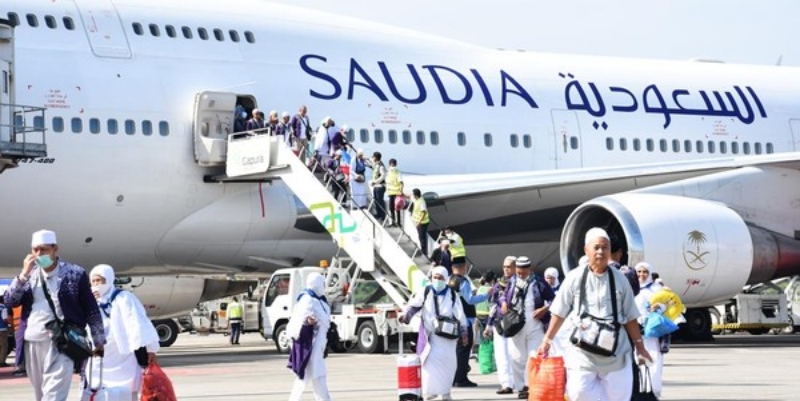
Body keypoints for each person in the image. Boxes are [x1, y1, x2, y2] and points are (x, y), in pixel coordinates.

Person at [537, 227, 651, 401]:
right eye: (596, 247)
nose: (600, 252)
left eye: (605, 247)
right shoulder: (574, 277)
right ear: (586, 250)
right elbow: (559, 312)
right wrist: (547, 340)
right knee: (578, 393)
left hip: (616, 352)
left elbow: (630, 316)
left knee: (619, 396)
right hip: (582, 351)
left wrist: (640, 346)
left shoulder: (621, 279)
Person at [5, 229, 105, 401]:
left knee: (54, 395)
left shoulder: (74, 274)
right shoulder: (29, 275)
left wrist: (99, 340)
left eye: (44, 249)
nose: (39, 254)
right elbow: (10, 300)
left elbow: (91, 308)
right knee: (41, 395)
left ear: (55, 249)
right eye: (35, 250)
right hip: (32, 341)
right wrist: (23, 275)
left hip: (63, 342)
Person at [87, 264, 159, 401]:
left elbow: (139, 324)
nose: (96, 285)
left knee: (127, 390)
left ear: (109, 279)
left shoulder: (124, 298)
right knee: (99, 390)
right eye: (93, 281)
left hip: (124, 357)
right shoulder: (90, 301)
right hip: (101, 357)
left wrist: (151, 349)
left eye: (99, 280)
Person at [400, 266, 467, 401]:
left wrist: (464, 332)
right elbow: (414, 306)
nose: (437, 280)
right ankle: (429, 393)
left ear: (446, 279)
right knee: (427, 364)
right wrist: (406, 316)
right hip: (430, 337)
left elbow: (460, 316)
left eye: (440, 278)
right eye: (435, 277)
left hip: (448, 338)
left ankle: (445, 392)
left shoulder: (452, 295)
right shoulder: (425, 291)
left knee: (448, 366)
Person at [502, 256, 554, 399]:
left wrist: (544, 309)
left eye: (523, 273)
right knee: (517, 358)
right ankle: (520, 386)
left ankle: (529, 386)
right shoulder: (512, 282)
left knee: (534, 357)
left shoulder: (539, 282)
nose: (521, 275)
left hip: (535, 326)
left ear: (530, 270)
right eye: (518, 272)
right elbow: (503, 296)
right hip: (516, 326)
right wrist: (504, 303)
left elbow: (553, 299)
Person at [287, 273, 333, 401]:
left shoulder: (320, 300)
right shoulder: (307, 299)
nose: (324, 286)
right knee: (309, 375)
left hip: (319, 344)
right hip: (310, 346)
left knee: (315, 375)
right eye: (322, 284)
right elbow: (297, 322)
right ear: (316, 284)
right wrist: (308, 322)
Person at [449, 263, 492, 387]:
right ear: (463, 268)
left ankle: (454, 377)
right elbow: (470, 300)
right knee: (464, 348)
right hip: (465, 320)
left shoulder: (450, 280)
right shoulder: (463, 281)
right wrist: (486, 295)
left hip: (455, 319)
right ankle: (461, 379)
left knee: (457, 349)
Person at [634, 262, 666, 399]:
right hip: (635, 330)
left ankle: (654, 393)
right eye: (639, 271)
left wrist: (658, 307)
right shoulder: (631, 287)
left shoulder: (656, 288)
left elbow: (667, 304)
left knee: (654, 361)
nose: (642, 274)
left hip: (652, 331)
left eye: (645, 272)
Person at [485, 256, 516, 394]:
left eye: (509, 267)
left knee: (515, 356)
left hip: (515, 325)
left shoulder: (521, 283)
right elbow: (493, 306)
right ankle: (506, 384)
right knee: (501, 356)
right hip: (500, 325)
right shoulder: (498, 285)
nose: (506, 269)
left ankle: (519, 384)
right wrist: (488, 326)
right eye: (504, 267)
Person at [410, 188, 430, 257]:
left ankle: (424, 252)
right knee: (420, 237)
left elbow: (423, 213)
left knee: (422, 238)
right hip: (419, 222)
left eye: (413, 195)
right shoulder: (417, 200)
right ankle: (423, 250)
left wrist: (419, 222)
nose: (412, 196)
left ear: (416, 195)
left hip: (423, 223)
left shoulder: (421, 202)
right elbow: (409, 196)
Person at [385, 158, 404, 227]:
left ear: (396, 164)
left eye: (393, 164)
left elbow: (401, 183)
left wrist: (401, 191)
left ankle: (398, 222)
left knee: (397, 208)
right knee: (391, 208)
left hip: (397, 193)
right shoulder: (388, 172)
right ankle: (393, 222)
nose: (392, 166)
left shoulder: (398, 172)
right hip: (390, 193)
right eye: (391, 164)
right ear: (389, 164)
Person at [369, 151, 387, 222]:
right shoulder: (376, 164)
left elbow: (383, 176)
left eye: (373, 157)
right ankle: (378, 214)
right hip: (376, 186)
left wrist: (375, 182)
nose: (372, 158)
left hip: (380, 186)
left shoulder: (381, 166)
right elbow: (371, 161)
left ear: (376, 157)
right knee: (376, 200)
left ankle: (383, 216)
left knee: (380, 201)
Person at [0, 293, 9, 367]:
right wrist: (9, 323)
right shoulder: (3, 308)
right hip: (2, 329)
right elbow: (5, 318)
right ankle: (2, 362)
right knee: (4, 345)